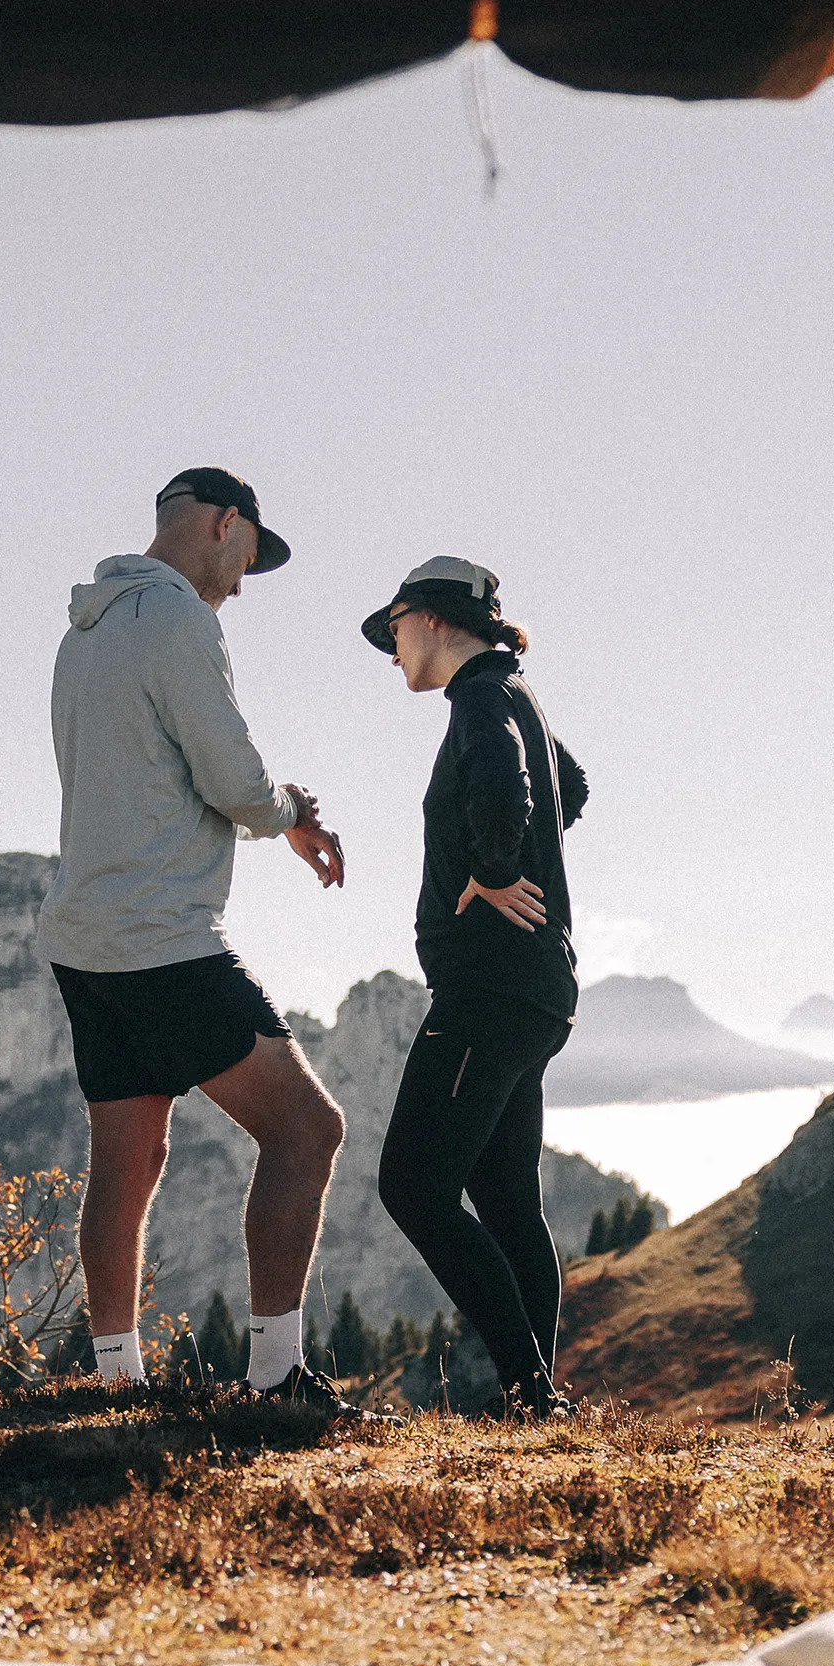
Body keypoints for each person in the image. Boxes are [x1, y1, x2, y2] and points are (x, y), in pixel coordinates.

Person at [44, 467, 355, 1411]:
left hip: (83, 933)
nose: (241, 584)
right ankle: (276, 1380)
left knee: (128, 1162)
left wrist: (268, 805)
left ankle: (115, 1385)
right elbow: (229, 775)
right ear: (223, 525)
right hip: (161, 938)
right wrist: (292, 808)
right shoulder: (180, 620)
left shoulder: (83, 630)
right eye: (248, 559)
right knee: (309, 1130)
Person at [360, 556, 590, 1419]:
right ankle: (537, 1405)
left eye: (393, 630)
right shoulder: (514, 693)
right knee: (502, 1198)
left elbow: (511, 784)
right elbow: (572, 784)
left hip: (489, 991)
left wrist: (494, 869)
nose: (391, 651)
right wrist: (524, 859)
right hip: (535, 991)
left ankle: (532, 1392)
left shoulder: (482, 702)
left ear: (430, 620)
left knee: (413, 1187)